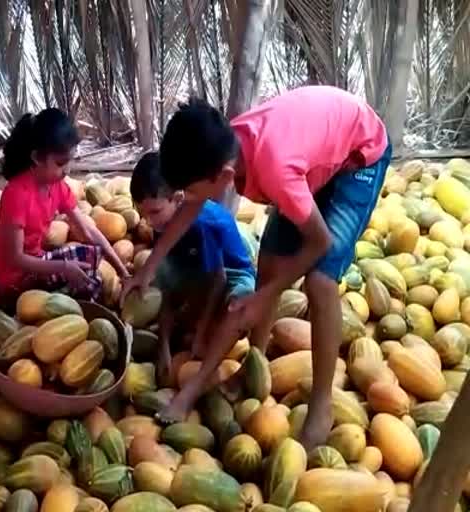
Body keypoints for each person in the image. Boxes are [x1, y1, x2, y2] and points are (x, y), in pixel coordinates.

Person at [122, 86, 391, 448]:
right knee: (267, 265)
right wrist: (147, 269)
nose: (188, 199)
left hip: (359, 156)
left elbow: (320, 241)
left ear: (224, 176)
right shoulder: (221, 148)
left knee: (320, 281)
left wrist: (268, 295)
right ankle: (257, 365)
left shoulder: (274, 169)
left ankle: (322, 404)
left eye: (192, 190)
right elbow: (192, 206)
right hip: (313, 162)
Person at [130, 152, 255, 422]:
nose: (149, 221)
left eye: (154, 212)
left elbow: (219, 279)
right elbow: (167, 283)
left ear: (177, 199)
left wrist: (200, 332)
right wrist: (162, 346)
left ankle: (197, 384)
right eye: (143, 214)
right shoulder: (161, 222)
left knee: (237, 307)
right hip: (198, 270)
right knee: (163, 280)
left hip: (232, 273)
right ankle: (179, 335)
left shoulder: (203, 224)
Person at [0, 108, 129, 302]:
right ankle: (17, 309)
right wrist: (63, 267)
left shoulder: (57, 186)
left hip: (38, 261)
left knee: (90, 261)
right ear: (37, 158)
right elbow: (16, 258)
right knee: (91, 282)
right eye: (60, 163)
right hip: (15, 279)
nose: (67, 170)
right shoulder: (16, 194)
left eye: (69, 161)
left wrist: (123, 272)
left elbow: (89, 231)